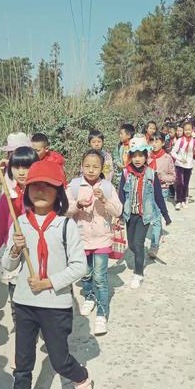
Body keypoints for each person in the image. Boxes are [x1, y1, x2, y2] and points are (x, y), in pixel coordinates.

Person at [2, 161, 93, 389]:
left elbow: (80, 267)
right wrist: (16, 251)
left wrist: (49, 282)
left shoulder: (65, 226)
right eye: (35, 185)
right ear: (27, 189)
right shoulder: (19, 224)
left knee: (58, 359)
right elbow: (7, 266)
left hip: (55, 304)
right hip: (25, 303)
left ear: (58, 193)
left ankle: (82, 378)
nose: (40, 191)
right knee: (23, 363)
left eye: (47, 186)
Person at [67, 150, 122, 335]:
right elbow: (63, 209)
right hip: (81, 240)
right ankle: (89, 297)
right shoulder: (74, 186)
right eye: (87, 166)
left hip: (102, 239)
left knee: (100, 278)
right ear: (81, 166)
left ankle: (101, 313)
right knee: (86, 273)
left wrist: (104, 199)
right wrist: (77, 206)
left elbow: (118, 211)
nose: (91, 170)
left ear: (101, 168)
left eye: (95, 167)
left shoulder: (107, 187)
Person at [0, 146, 39, 325]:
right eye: (17, 167)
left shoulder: (44, 193)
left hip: (39, 249)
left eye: (27, 167)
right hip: (14, 249)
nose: (22, 172)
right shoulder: (8, 197)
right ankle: (20, 322)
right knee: (15, 287)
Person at [119, 136, 172, 289]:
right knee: (132, 245)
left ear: (146, 156)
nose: (137, 159)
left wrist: (165, 215)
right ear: (130, 157)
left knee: (138, 243)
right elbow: (121, 195)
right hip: (130, 215)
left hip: (144, 215)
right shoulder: (125, 174)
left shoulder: (151, 174)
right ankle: (139, 255)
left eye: (141, 155)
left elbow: (157, 196)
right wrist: (118, 214)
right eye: (134, 155)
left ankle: (138, 273)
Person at [148, 133, 175, 258]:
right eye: (152, 141)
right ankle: (158, 234)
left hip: (162, 190)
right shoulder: (146, 156)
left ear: (163, 143)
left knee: (157, 217)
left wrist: (162, 177)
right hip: (147, 191)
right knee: (149, 216)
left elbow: (173, 177)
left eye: (157, 141)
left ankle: (154, 246)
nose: (154, 144)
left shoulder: (167, 158)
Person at [171, 121, 195, 210]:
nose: (187, 131)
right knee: (180, 183)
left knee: (186, 184)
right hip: (179, 165)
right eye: (185, 130)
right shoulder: (180, 140)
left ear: (192, 130)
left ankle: (184, 200)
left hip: (189, 165)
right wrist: (180, 158)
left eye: (189, 130)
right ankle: (178, 201)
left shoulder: (194, 141)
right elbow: (173, 152)